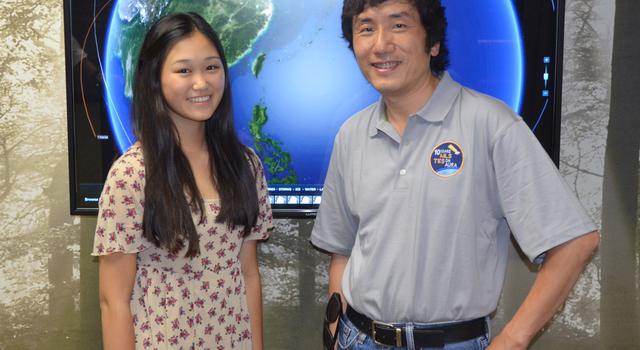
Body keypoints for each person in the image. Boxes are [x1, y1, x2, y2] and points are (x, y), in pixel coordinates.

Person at [310, 0, 600, 349]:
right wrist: (334, 334)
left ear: (432, 42)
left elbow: (574, 241)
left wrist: (513, 339)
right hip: (357, 338)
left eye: (398, 25)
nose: (380, 44)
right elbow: (342, 250)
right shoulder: (351, 134)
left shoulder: (491, 124)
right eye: (366, 28)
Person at [92, 12, 273, 350]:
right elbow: (112, 301)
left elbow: (248, 275)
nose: (201, 83)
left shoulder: (246, 166)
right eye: (184, 70)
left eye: (212, 67)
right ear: (154, 78)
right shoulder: (131, 175)